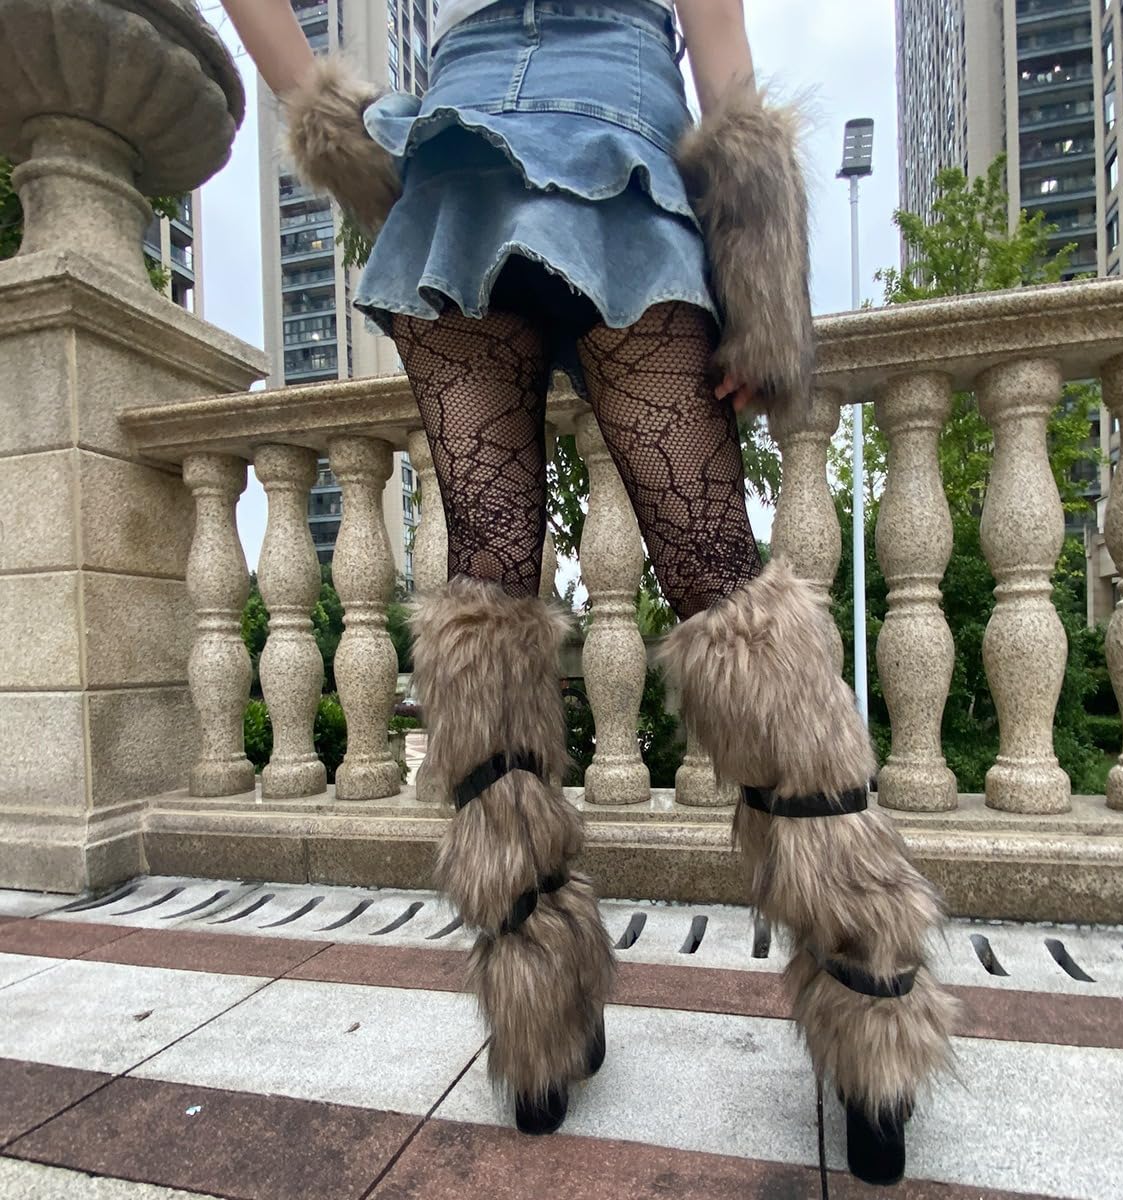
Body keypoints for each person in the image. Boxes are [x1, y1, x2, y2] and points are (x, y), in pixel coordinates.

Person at [220, 0, 956, 1185]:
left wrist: (341, 126)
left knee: (487, 582)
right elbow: (723, 61)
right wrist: (765, 297)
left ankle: (540, 1027)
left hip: (456, 167)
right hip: (620, 150)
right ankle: (873, 1000)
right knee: (721, 581)